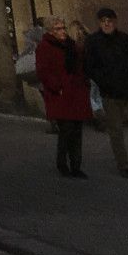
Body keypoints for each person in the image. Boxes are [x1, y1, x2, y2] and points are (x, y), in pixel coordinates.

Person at [37, 17, 91, 178]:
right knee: (66, 131)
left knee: (77, 131)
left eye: (63, 28)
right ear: (50, 31)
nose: (62, 32)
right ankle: (62, 164)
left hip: (76, 92)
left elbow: (80, 64)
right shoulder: (44, 47)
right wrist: (57, 87)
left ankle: (76, 166)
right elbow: (44, 71)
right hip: (60, 95)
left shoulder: (71, 45)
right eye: (58, 29)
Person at [83, 6, 128, 179]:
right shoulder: (93, 41)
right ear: (99, 23)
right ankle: (123, 165)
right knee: (116, 130)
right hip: (110, 93)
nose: (107, 24)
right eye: (103, 21)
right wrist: (104, 82)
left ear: (114, 21)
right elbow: (89, 67)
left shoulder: (124, 39)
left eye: (109, 20)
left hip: (127, 91)